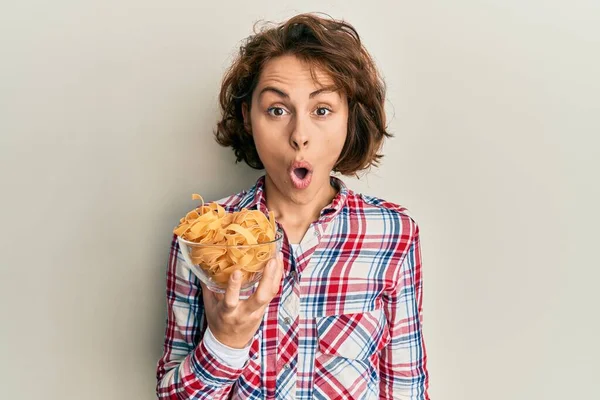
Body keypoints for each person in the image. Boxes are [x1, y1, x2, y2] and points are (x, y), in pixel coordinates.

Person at [156, 13, 429, 400]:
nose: (299, 135)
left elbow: (406, 390)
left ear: (351, 118)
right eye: (277, 110)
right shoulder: (201, 238)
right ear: (248, 118)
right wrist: (225, 340)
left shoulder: (393, 234)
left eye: (322, 110)